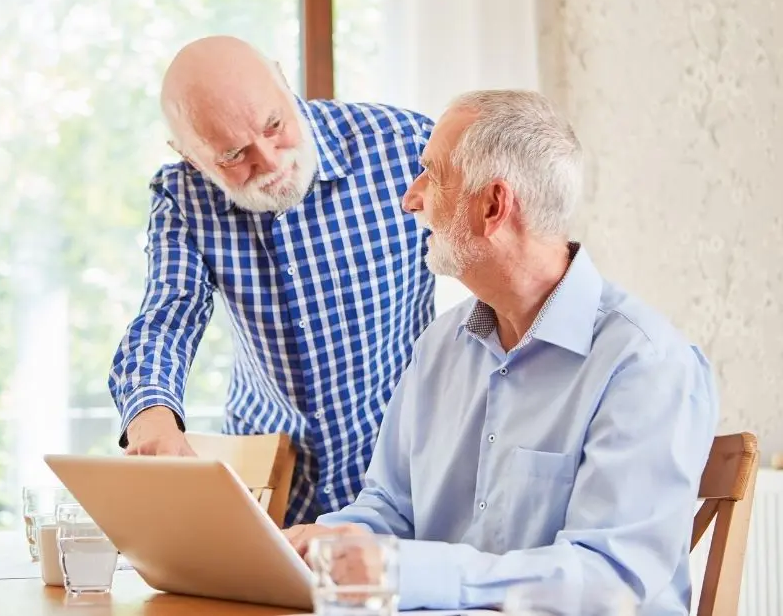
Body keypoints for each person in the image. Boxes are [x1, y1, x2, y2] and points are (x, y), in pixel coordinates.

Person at [284, 89, 719, 614]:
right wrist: (319, 545)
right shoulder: (440, 346)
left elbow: (608, 580)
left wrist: (407, 572)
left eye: (432, 174)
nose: (411, 198)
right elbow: (389, 507)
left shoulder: (646, 364)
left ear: (493, 205)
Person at [108, 36, 437, 526]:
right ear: (191, 156)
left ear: (283, 82)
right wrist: (151, 415)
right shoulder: (183, 194)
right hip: (269, 489)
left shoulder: (407, 146)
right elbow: (166, 317)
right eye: (233, 154)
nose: (268, 159)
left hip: (403, 479)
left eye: (274, 125)